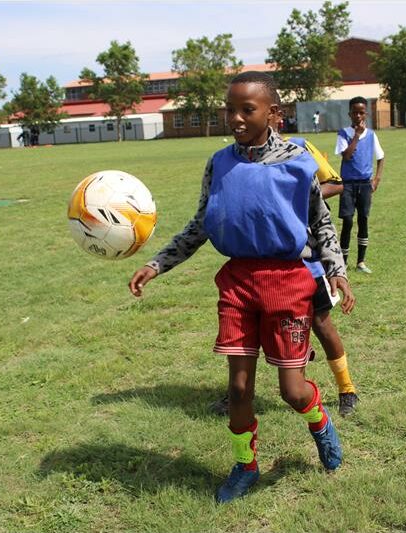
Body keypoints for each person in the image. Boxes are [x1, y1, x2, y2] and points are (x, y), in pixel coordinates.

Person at [129, 71, 355, 503]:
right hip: (237, 283)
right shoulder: (219, 163)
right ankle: (245, 466)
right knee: (237, 388)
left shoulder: (298, 162)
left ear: (273, 113)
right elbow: (201, 224)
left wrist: (337, 270)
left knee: (292, 390)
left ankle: (320, 423)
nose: (235, 117)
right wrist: (157, 264)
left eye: (246, 109)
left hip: (287, 282)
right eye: (229, 109)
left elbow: (320, 222)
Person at [210, 106, 360, 417]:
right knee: (251, 329)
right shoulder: (239, 157)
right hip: (259, 266)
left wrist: (291, 199)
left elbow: (334, 182)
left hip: (305, 262)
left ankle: (346, 389)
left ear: (276, 116)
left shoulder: (300, 149)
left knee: (321, 322)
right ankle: (237, 393)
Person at [335, 96, 385, 274]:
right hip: (347, 184)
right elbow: (346, 156)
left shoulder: (371, 135)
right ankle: (343, 261)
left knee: (363, 220)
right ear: (350, 114)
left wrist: (376, 179)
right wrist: (355, 136)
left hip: (365, 184)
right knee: (348, 221)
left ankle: (361, 262)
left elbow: (381, 157)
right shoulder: (343, 134)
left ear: (366, 114)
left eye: (361, 112)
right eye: (355, 112)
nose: (358, 115)